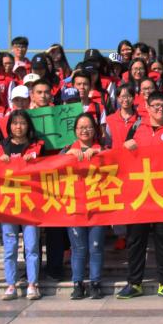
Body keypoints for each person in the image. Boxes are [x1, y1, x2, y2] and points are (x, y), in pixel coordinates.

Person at [116, 92, 163, 301]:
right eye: (156, 105)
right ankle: (134, 283)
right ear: (147, 107)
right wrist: (125, 146)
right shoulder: (137, 128)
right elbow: (121, 157)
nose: (160, 109)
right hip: (139, 195)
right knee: (136, 240)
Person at [0, 110, 44, 301]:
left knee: (31, 246)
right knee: (10, 246)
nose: (18, 127)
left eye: (22, 123)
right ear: (9, 126)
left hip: (30, 203)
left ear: (28, 125)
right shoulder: (0, 147)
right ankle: (11, 284)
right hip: (8, 203)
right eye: (15, 123)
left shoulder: (37, 145)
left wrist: (35, 160)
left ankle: (33, 284)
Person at [64, 113, 106, 300]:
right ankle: (78, 283)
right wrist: (68, 155)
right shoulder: (67, 150)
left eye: (88, 127)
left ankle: (95, 283)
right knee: (78, 248)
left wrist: (100, 154)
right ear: (75, 131)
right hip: (75, 207)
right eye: (81, 127)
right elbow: (51, 166)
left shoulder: (103, 149)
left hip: (98, 206)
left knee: (96, 247)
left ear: (95, 130)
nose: (85, 130)